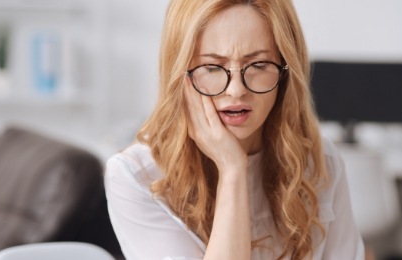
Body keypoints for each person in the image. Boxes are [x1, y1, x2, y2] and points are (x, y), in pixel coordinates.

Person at [104, 0, 365, 259]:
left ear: (285, 74)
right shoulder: (135, 177)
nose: (236, 90)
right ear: (179, 74)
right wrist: (232, 169)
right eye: (212, 67)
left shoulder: (320, 161)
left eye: (259, 65)